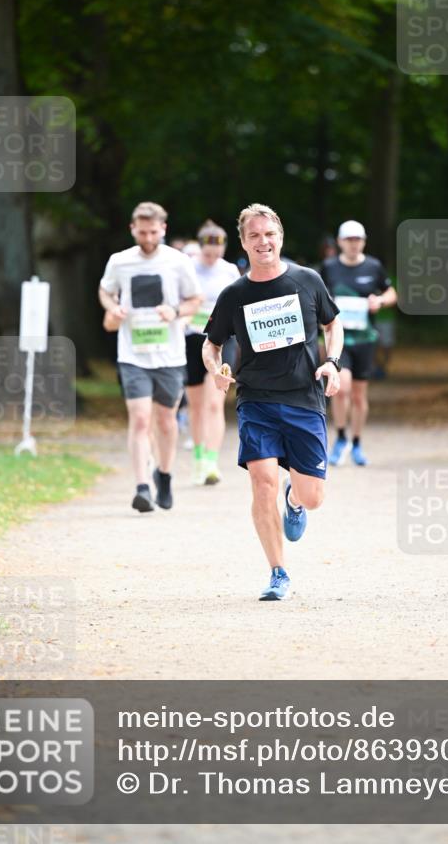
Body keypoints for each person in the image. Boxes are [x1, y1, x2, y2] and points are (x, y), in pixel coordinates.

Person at [202, 203, 343, 602]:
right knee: (261, 483)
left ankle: (294, 498)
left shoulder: (307, 280)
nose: (263, 242)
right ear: (244, 243)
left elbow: (333, 324)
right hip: (256, 400)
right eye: (254, 236)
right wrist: (215, 369)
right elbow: (210, 344)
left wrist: (331, 362)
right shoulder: (235, 295)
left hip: (303, 398)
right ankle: (278, 572)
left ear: (279, 237)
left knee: (313, 498)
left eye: (269, 234)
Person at [99, 202, 202, 512]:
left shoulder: (178, 261)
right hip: (132, 353)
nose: (147, 238)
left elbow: (195, 300)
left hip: (169, 354)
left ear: (163, 230)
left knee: (166, 421)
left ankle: (165, 475)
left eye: (153, 232)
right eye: (142, 232)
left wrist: (176, 311)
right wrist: (111, 307)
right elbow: (105, 291)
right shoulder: (120, 262)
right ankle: (142, 486)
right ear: (133, 229)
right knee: (141, 418)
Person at [321, 220, 397, 467]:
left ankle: (357, 441)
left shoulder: (374, 266)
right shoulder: (329, 267)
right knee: (341, 387)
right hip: (339, 338)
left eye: (358, 239)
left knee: (358, 394)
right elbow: (317, 295)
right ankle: (341, 437)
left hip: (365, 338)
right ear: (340, 242)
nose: (354, 244)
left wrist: (380, 301)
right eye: (349, 239)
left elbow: (391, 293)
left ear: (363, 241)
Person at [185, 220, 240, 485]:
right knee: (196, 406)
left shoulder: (229, 271)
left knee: (215, 403)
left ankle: (211, 461)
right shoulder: (188, 268)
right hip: (191, 339)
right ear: (200, 248)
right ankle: (197, 456)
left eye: (217, 253)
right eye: (207, 254)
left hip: (221, 341)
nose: (211, 258)